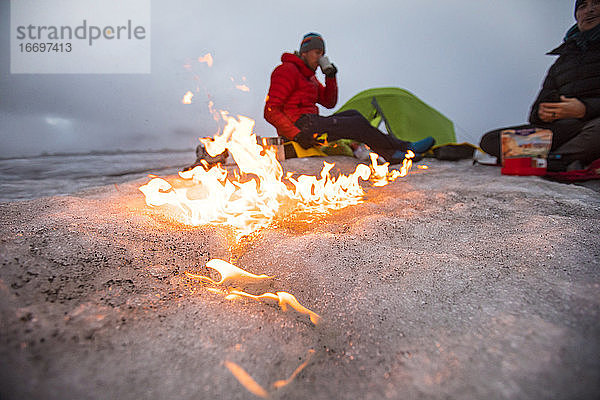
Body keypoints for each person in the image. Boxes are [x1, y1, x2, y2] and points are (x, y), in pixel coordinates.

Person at [264, 32, 435, 164]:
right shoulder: (286, 70)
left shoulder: (310, 78)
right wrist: (296, 134)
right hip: (302, 128)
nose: (320, 58)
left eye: (322, 53)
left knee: (354, 114)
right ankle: (396, 152)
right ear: (305, 52)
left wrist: (331, 78)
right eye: (317, 53)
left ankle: (402, 146)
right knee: (356, 124)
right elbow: (270, 111)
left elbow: (329, 102)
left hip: (312, 123)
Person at [480, 0, 600, 171]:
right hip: (562, 130)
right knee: (491, 140)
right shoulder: (562, 61)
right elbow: (536, 112)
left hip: (593, 126)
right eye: (582, 6)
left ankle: (555, 159)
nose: (589, 10)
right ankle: (559, 159)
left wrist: (585, 109)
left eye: (596, 3)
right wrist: (543, 114)